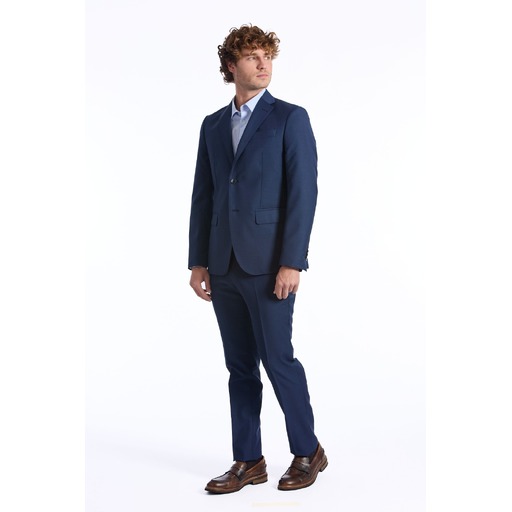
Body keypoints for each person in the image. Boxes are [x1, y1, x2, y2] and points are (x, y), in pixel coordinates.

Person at [188, 24, 327, 493]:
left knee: (278, 359)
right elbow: (203, 195)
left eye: (267, 55)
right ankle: (248, 460)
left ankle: (308, 451)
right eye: (252, 56)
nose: (263, 63)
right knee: (240, 367)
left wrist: (292, 261)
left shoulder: (290, 118)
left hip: (270, 265)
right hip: (223, 263)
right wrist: (198, 260)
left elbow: (303, 194)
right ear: (231, 66)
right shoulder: (212, 125)